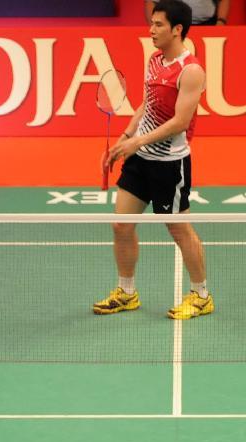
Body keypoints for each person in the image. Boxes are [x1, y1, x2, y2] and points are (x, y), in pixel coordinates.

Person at [94, 0, 213, 321]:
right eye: (152, 23)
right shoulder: (155, 60)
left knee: (179, 230)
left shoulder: (191, 71)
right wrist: (123, 140)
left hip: (170, 165)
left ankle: (201, 295)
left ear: (177, 29)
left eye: (159, 24)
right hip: (139, 159)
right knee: (121, 225)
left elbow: (180, 122)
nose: (151, 29)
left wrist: (137, 143)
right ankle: (127, 292)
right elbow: (145, 106)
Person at [145, 0, 229, 25]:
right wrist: (153, 26)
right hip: (173, 26)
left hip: (208, 25)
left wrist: (220, 22)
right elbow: (151, 2)